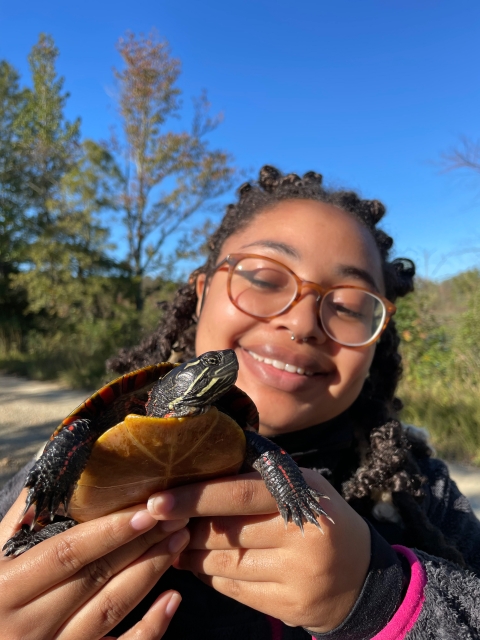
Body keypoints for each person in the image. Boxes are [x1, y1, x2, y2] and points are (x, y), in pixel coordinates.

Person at [1, 165, 479, 640]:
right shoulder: (50, 468)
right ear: (203, 291)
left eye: (351, 306)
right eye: (266, 279)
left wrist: (380, 597)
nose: (302, 322)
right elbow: (75, 438)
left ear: (379, 342)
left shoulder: (419, 499)